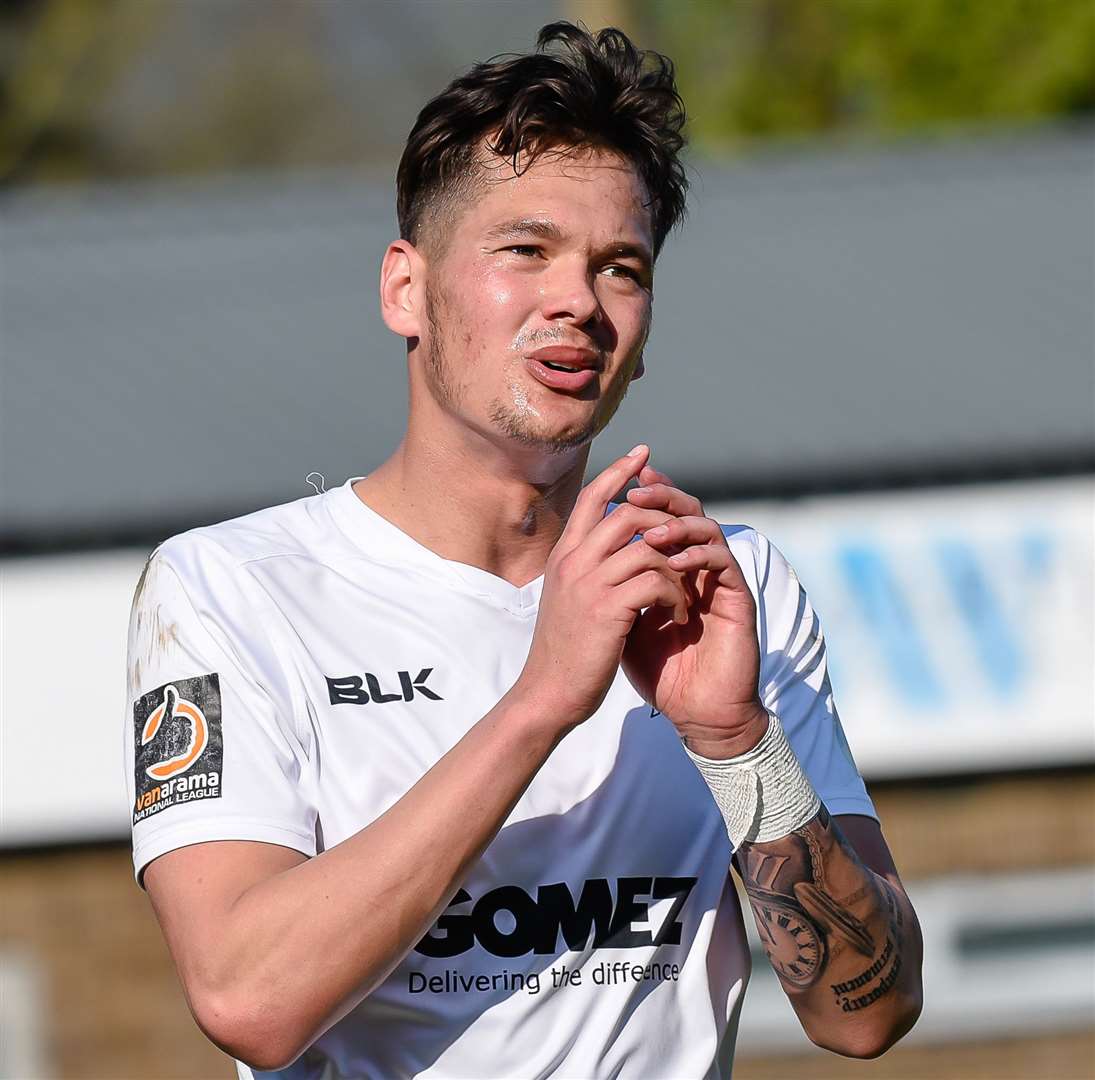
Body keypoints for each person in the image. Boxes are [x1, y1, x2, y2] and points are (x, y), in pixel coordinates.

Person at [125, 22, 922, 1079]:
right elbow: (247, 998)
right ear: (405, 289)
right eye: (524, 250)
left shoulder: (731, 584)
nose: (576, 303)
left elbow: (867, 1013)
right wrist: (544, 696)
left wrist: (735, 739)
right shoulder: (228, 590)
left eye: (620, 268)